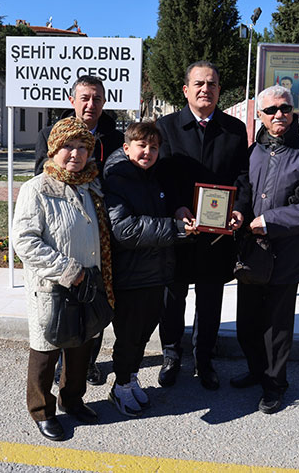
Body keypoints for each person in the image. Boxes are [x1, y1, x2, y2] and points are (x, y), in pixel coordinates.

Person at [11, 117, 113, 441]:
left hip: (86, 286)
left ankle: (73, 400)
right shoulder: (37, 189)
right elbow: (24, 240)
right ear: (54, 149)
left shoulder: (88, 186)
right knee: (46, 350)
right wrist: (68, 270)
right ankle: (42, 411)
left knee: (82, 346)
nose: (75, 153)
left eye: (83, 147)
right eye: (68, 146)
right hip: (53, 288)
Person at [231, 85, 299, 414]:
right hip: (251, 255)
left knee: (276, 325)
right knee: (246, 321)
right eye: (271, 110)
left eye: (285, 109)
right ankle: (256, 370)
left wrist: (271, 221)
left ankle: (275, 385)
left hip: (284, 255)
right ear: (259, 115)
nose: (279, 116)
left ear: (293, 111)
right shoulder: (252, 151)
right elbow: (243, 191)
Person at [154, 61, 247, 391]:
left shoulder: (235, 130)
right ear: (185, 90)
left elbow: (242, 177)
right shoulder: (165, 127)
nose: (205, 89)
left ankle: (204, 359)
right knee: (173, 298)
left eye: (212, 84)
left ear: (219, 90)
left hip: (216, 234)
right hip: (180, 229)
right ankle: (171, 354)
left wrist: (238, 209)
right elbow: (159, 175)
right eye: (198, 84)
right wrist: (177, 207)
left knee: (210, 300)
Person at [34, 75, 124, 386]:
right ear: (72, 100)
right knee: (61, 310)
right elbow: (42, 178)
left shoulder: (114, 138)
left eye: (97, 98)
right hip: (61, 236)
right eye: (84, 97)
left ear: (104, 103)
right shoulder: (49, 133)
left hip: (101, 234)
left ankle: (87, 363)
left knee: (94, 303)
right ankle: (60, 366)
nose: (91, 104)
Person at [102, 121, 194, 417]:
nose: (148, 152)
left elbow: (157, 214)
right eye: (142, 145)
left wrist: (179, 212)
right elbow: (125, 229)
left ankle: (129, 379)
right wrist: (175, 228)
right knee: (129, 335)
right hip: (130, 275)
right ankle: (120, 386)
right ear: (127, 147)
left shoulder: (152, 175)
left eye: (154, 147)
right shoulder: (116, 178)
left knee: (142, 334)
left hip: (156, 272)